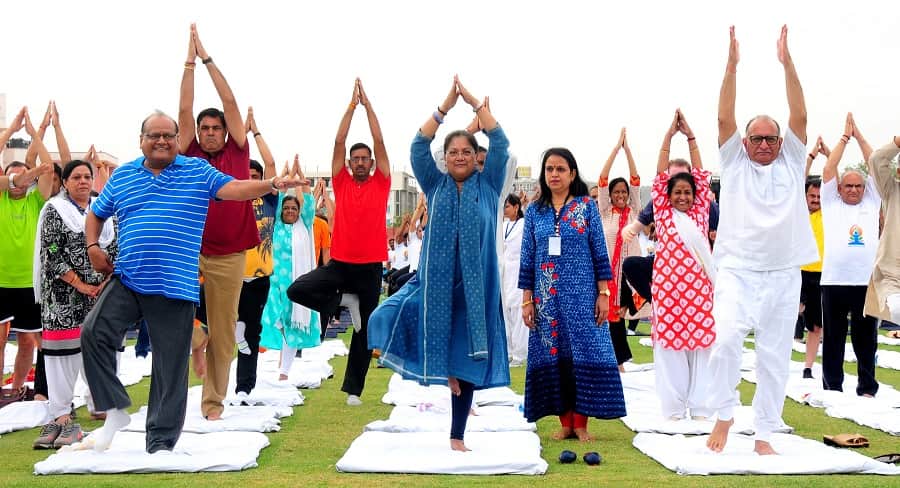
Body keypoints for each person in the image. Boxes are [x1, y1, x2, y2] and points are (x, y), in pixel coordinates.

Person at [77, 111, 303, 454]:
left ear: (178, 140)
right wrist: (92, 246)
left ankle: (160, 443)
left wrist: (271, 184)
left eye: (169, 135)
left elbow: (235, 188)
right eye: (154, 135)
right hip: (128, 277)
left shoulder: (196, 171)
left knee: (170, 366)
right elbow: (96, 213)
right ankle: (115, 408)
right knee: (93, 333)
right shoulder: (122, 176)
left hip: (174, 285)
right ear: (141, 140)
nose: (162, 141)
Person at [368, 77, 510, 451]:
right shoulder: (435, 184)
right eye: (453, 152)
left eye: (467, 151)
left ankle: (457, 435)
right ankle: (434, 365)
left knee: (464, 369)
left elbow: (501, 143)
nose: (460, 156)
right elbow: (418, 145)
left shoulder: (490, 185)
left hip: (476, 292)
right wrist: (445, 107)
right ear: (444, 159)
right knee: (381, 317)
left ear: (475, 157)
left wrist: (478, 105)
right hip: (434, 286)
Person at [705, 26, 818, 456]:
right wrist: (731, 66)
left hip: (784, 272)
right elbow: (723, 118)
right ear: (745, 142)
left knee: (774, 355)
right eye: (758, 138)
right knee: (726, 339)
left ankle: (766, 432)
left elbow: (800, 117)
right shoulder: (734, 161)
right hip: (737, 268)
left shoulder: (791, 160)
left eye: (773, 137)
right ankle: (725, 412)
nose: (766, 143)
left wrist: (787, 63)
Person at [286, 78, 390, 406]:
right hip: (341, 263)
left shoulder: (382, 182)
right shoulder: (342, 182)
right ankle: (343, 303)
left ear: (371, 164)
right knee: (297, 289)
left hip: (371, 266)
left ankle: (354, 390)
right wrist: (350, 107)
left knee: (364, 330)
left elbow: (379, 138)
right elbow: (338, 140)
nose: (359, 162)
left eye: (365, 159)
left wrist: (369, 106)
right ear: (348, 164)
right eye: (354, 159)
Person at [179, 24, 259, 420]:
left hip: (229, 256)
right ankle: (197, 335)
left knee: (226, 334)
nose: (210, 133)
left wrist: (208, 59)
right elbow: (182, 109)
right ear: (196, 133)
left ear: (227, 132)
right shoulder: (188, 152)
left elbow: (229, 100)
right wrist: (188, 63)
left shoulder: (238, 153)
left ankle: (212, 405)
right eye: (204, 128)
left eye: (216, 128)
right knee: (171, 319)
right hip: (189, 251)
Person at [520, 147, 625, 442]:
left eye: (560, 169)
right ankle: (565, 423)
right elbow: (528, 258)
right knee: (554, 357)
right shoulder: (534, 212)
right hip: (546, 301)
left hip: (582, 298)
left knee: (585, 355)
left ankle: (581, 424)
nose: (554, 174)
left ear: (572, 174)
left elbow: (599, 253)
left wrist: (603, 293)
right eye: (549, 169)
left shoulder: (585, 207)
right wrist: (528, 300)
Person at [32, 159, 117, 448]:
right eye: (76, 177)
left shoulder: (103, 209)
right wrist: (82, 285)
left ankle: (100, 403)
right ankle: (60, 416)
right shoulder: (55, 210)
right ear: (65, 182)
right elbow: (52, 254)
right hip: (62, 297)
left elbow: (116, 246)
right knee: (61, 356)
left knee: (101, 347)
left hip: (101, 293)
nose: (83, 181)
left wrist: (102, 284)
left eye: (87, 176)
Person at [649, 110, 716, 420]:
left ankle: (702, 408)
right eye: (677, 192)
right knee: (672, 351)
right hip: (668, 292)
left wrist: (691, 137)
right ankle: (674, 410)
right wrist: (667, 136)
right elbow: (661, 174)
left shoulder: (702, 210)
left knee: (703, 349)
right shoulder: (662, 213)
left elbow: (701, 175)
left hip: (700, 291)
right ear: (668, 196)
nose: (683, 196)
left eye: (688, 192)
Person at [819, 113, 879, 397]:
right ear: (840, 189)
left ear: (864, 190)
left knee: (866, 339)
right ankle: (832, 386)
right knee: (833, 338)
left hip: (866, 283)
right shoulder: (832, 203)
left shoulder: (871, 201)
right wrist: (844, 138)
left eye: (858, 186)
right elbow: (830, 169)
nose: (853, 190)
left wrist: (860, 137)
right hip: (834, 281)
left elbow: (876, 165)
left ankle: (867, 387)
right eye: (848, 186)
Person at [0, 107, 54, 403]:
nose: (18, 182)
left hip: (30, 283)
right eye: (12, 177)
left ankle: (19, 388)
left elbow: (47, 167)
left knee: (27, 340)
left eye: (23, 176)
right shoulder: (1, 199)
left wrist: (35, 132)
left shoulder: (36, 201)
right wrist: (10, 131)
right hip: (1, 281)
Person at [229, 106, 279, 403]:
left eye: (255, 176)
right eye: (245, 176)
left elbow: (272, 163)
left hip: (259, 277)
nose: (251, 179)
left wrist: (255, 133)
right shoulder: (232, 197)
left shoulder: (269, 200)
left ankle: (244, 388)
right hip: (230, 273)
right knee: (223, 328)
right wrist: (239, 141)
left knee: (252, 336)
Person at [260, 158, 320, 381]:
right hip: (274, 282)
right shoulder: (277, 225)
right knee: (272, 316)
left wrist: (300, 175)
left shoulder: (304, 224)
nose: (290, 210)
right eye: (286, 208)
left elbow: (307, 199)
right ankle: (281, 360)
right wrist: (286, 174)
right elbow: (277, 192)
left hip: (297, 285)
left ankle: (284, 371)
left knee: (290, 326)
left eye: (294, 208)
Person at [597, 127, 641, 370]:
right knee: (609, 316)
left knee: (620, 314)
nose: (621, 195)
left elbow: (635, 180)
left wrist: (628, 150)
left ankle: (619, 359)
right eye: (617, 192)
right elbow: (603, 179)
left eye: (624, 192)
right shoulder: (605, 211)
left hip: (628, 273)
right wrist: (616, 149)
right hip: (607, 273)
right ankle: (616, 360)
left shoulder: (634, 211)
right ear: (611, 196)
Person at [798, 136, 828, 378]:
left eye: (819, 197)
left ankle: (808, 367)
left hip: (820, 273)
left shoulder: (827, 213)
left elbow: (835, 181)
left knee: (816, 325)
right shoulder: (797, 209)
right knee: (786, 317)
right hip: (796, 271)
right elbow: (799, 176)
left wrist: (828, 156)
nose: (816, 201)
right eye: (812, 197)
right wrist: (811, 157)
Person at [864, 136, 900, 332]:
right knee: (896, 307)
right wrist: (898, 143)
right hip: (892, 276)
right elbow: (876, 160)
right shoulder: (891, 190)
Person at [501, 193, 527, 367]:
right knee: (506, 311)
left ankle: (520, 354)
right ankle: (509, 351)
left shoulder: (523, 224)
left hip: (518, 270)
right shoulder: (502, 226)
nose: (505, 210)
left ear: (516, 207)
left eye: (508, 206)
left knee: (518, 312)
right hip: (504, 272)